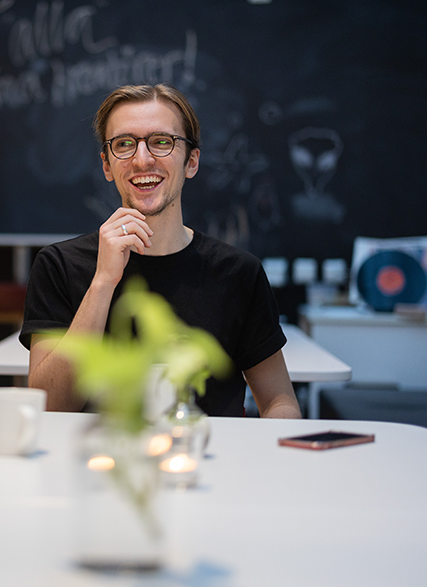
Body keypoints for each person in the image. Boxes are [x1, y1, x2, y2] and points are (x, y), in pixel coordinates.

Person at [21, 84, 302, 419]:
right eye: (124, 144)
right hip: (99, 462)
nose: (142, 159)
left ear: (191, 161)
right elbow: (49, 407)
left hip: (209, 463)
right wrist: (103, 282)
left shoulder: (238, 272)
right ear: (107, 165)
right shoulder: (59, 266)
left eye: (161, 142)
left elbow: (278, 401)